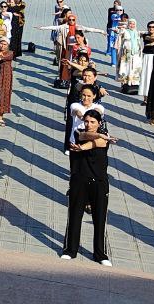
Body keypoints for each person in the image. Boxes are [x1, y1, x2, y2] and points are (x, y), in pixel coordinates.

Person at [62, 109, 115, 265]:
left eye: (92, 122)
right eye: (86, 121)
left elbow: (99, 143)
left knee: (99, 218)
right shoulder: (79, 131)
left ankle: (101, 254)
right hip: (79, 180)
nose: (89, 124)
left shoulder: (103, 138)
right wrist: (98, 135)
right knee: (74, 216)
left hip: (99, 182)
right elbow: (86, 136)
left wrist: (88, 145)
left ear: (99, 123)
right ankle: (70, 250)